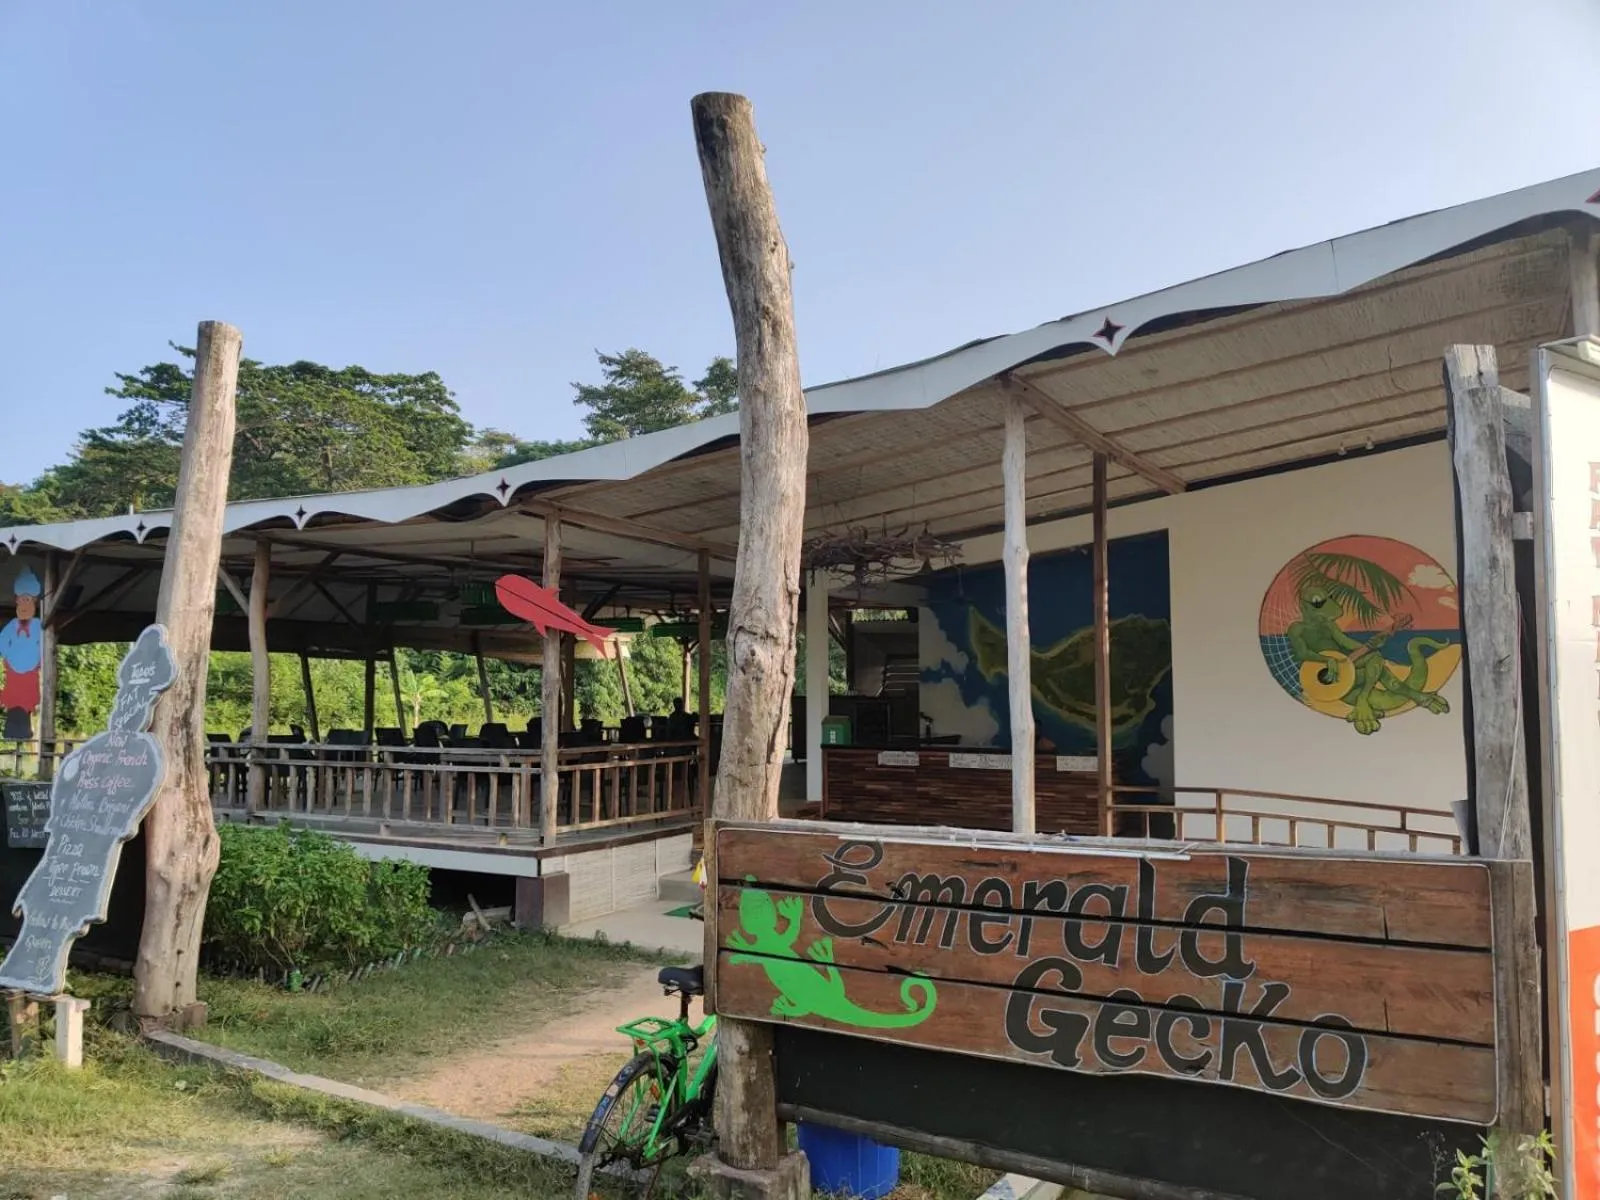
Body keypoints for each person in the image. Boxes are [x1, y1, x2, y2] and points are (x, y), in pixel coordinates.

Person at [0, 565, 43, 741]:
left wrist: (39, 660)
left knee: (26, 704)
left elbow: (45, 646)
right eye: (21, 600)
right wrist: (8, 657)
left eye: (28, 600)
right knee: (13, 703)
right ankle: (11, 732)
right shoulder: (12, 625)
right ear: (17, 601)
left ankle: (24, 732)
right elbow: (2, 642)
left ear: (34, 602)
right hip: (13, 674)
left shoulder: (38, 626)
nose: (24, 604)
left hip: (30, 674)